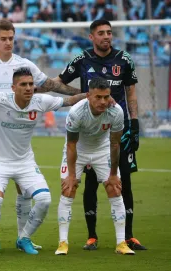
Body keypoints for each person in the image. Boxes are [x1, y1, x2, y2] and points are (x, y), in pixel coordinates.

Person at [0, 19, 80, 250]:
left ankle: (22, 236)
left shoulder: (24, 64)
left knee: (22, 187)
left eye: (11, 38)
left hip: (18, 132)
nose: (8, 43)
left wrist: (82, 92)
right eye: (3, 39)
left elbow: (48, 84)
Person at [0, 67, 86, 255]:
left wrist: (91, 94)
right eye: (23, 85)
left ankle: (24, 238)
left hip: (25, 162)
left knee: (44, 200)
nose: (28, 88)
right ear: (13, 87)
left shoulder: (40, 101)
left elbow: (69, 101)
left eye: (31, 84)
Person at [55, 19, 145, 250]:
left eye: (109, 33)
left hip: (116, 128)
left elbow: (131, 93)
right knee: (90, 184)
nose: (106, 36)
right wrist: (82, 95)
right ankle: (92, 235)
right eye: (101, 33)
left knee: (122, 180)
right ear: (92, 36)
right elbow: (59, 82)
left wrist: (133, 123)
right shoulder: (82, 59)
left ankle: (128, 236)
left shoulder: (124, 59)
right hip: (87, 130)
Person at [56, 77, 135, 255]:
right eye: (98, 97)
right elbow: (71, 145)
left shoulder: (116, 112)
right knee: (68, 189)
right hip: (78, 150)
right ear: (88, 95)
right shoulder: (77, 112)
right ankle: (62, 243)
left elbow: (115, 144)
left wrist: (114, 173)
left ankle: (121, 243)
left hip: (102, 150)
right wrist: (70, 175)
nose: (102, 101)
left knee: (114, 188)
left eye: (106, 97)